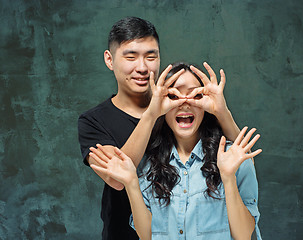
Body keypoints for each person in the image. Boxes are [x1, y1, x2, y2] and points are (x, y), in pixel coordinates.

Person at [78, 17, 244, 239]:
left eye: (151, 56)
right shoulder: (94, 121)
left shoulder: (181, 106)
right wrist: (152, 113)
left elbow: (239, 156)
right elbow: (117, 179)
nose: (142, 67)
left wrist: (222, 112)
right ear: (109, 59)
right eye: (130, 56)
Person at [90, 63, 262, 240]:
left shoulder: (232, 156)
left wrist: (228, 178)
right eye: (174, 95)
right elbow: (147, 235)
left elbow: (244, 235)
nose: (185, 102)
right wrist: (132, 183)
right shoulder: (148, 162)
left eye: (195, 95)